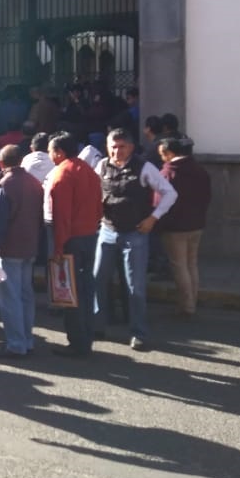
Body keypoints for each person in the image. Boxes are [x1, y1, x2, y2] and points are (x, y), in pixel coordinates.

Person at [92, 128, 177, 350]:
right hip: (107, 230)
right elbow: (93, 191)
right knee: (98, 278)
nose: (116, 151)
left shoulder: (144, 167)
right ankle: (97, 325)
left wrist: (153, 218)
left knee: (135, 286)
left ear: (130, 147)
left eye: (121, 146)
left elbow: (170, 193)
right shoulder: (101, 166)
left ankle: (138, 332)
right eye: (112, 146)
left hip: (135, 233)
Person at [44, 131, 103, 357]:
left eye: (50, 151)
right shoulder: (88, 171)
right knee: (87, 289)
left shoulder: (61, 175)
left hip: (71, 240)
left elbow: (62, 218)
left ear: (58, 152)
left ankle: (77, 342)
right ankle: (86, 337)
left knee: (71, 293)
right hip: (90, 236)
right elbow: (99, 206)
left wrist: (58, 248)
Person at [0, 144, 43, 359]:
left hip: (10, 248)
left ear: (1, 163)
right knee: (26, 295)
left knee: (10, 298)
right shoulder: (34, 183)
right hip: (30, 245)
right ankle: (27, 340)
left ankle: (15, 344)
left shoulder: (5, 184)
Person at [156, 137, 212, 316]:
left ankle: (187, 306)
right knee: (191, 264)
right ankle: (192, 300)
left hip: (175, 227)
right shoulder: (200, 170)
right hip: (196, 224)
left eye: (163, 154)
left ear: (170, 153)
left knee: (179, 266)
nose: (162, 158)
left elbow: (158, 201)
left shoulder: (167, 174)